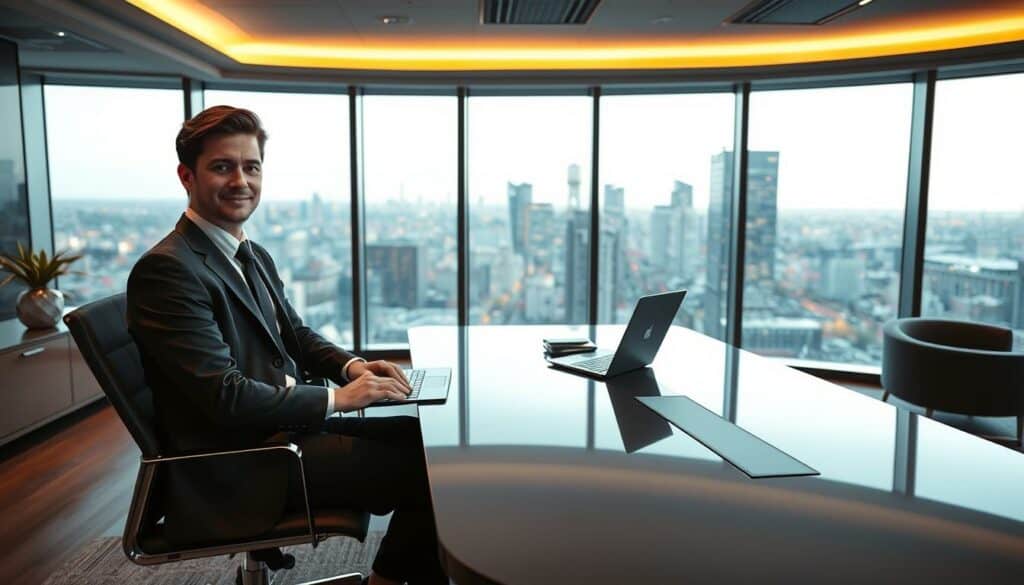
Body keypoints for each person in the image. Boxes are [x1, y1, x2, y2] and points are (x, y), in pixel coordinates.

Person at [126, 105, 447, 585]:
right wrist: (339, 400)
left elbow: (295, 334)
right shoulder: (169, 270)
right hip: (241, 464)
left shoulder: (248, 253)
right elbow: (225, 396)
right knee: (437, 475)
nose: (241, 181)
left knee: (430, 445)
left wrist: (353, 368)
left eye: (251, 167)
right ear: (186, 176)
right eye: (222, 167)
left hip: (278, 433)